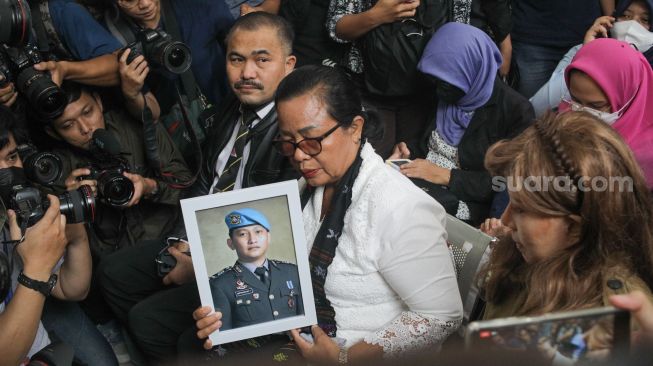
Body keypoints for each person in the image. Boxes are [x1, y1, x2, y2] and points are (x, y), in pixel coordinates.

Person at [192, 65, 463, 363]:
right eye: (287, 142)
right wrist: (227, 314)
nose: (298, 155)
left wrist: (346, 357)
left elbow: (441, 316)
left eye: (311, 140)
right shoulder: (305, 188)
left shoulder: (399, 206)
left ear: (355, 128)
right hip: (302, 337)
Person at [97, 13, 298, 363]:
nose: (247, 73)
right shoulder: (231, 108)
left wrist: (200, 268)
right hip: (201, 236)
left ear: (289, 64)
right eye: (237, 59)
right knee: (113, 274)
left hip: (239, 255)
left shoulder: (295, 133)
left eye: (262, 60)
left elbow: (277, 234)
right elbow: (204, 180)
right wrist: (181, 243)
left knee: (149, 320)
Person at [481, 111, 653, 352]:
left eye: (521, 209)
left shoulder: (616, 318)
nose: (505, 220)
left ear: (574, 228)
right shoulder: (518, 255)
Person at [0, 108, 116, 366]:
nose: (6, 173)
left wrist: (75, 236)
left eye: (11, 157)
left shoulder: (18, 210)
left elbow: (70, 288)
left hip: (38, 346)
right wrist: (36, 267)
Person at [389, 22, 534, 225]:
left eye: (447, 84)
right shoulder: (440, 89)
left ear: (471, 73)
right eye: (435, 82)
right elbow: (420, 141)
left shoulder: (516, 111)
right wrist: (405, 153)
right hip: (421, 179)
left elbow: (506, 183)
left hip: (464, 200)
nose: (439, 91)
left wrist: (445, 176)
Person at [530, 0, 653, 116]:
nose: (632, 25)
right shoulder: (581, 50)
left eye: (644, 20)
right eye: (626, 16)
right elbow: (537, 108)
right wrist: (586, 56)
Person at [560, 38, 653, 189]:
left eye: (596, 106)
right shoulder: (560, 119)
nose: (582, 112)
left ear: (629, 96)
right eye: (576, 100)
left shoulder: (647, 155)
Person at [210, 208, 303, 330]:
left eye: (258, 232)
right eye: (242, 234)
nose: (252, 240)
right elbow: (223, 337)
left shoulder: (292, 272)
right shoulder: (220, 285)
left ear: (268, 237)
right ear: (231, 243)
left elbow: (307, 322)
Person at [510, 0, 614, 98]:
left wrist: (615, 23)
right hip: (533, 39)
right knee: (533, 111)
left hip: (587, 35)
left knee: (588, 108)